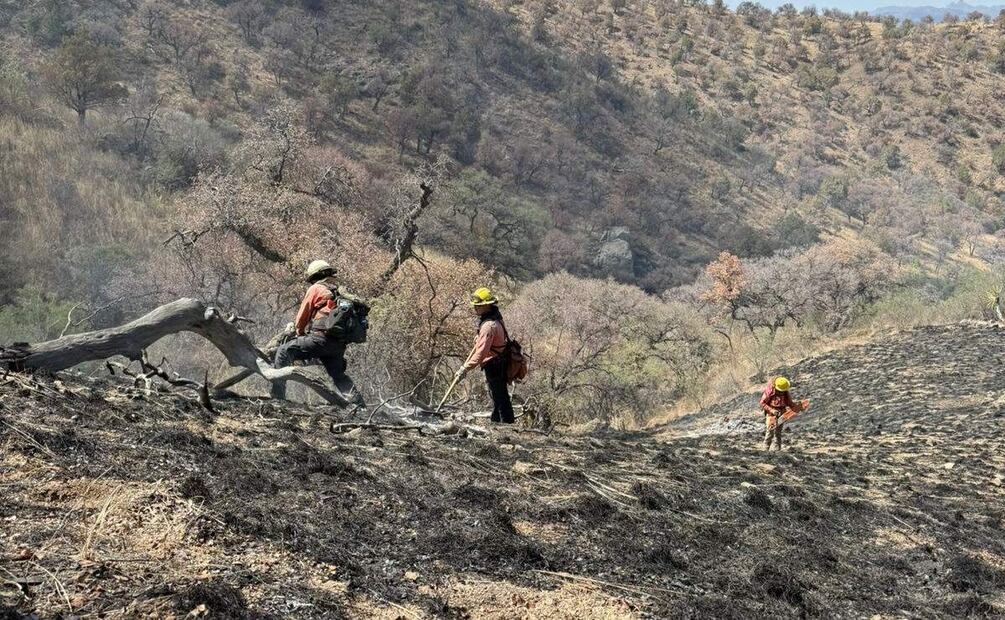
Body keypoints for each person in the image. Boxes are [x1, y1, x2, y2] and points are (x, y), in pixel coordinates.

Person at [271, 260, 364, 407]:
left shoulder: (316, 288)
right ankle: (359, 406)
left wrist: (299, 333)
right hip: (338, 346)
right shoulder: (339, 292)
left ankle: (278, 397)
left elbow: (302, 318)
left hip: (320, 339)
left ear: (314, 277)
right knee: (338, 376)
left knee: (283, 351)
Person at [455, 287, 514, 424]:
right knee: (498, 396)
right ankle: (497, 421)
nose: (475, 308)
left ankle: (506, 425)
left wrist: (465, 368)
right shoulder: (495, 318)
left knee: (500, 397)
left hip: (494, 364)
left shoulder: (488, 325)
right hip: (499, 361)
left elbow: (481, 353)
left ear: (487, 305)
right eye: (475, 305)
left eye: (479, 305)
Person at [760, 376, 796, 451]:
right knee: (770, 431)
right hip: (771, 414)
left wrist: (797, 407)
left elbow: (790, 403)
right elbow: (762, 403)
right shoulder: (770, 391)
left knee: (778, 432)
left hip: (782, 413)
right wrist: (772, 410)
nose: (781, 392)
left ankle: (777, 449)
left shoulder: (785, 392)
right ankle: (765, 448)